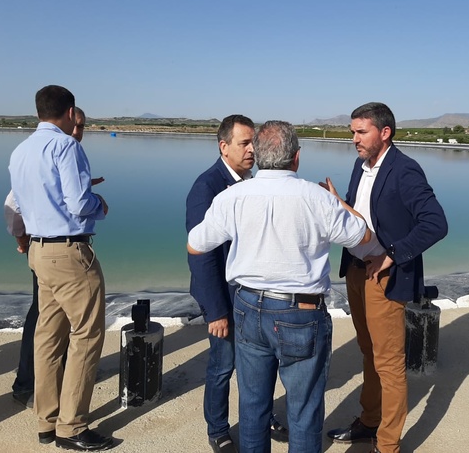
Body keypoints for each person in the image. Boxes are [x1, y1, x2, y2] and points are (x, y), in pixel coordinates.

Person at [188, 120, 370, 453]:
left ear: (257, 155)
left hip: (247, 307)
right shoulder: (316, 198)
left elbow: (195, 244)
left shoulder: (233, 197)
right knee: (303, 411)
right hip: (300, 311)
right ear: (296, 158)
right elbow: (363, 238)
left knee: (253, 406)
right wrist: (338, 201)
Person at [326, 102, 448, 453]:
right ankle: (369, 421)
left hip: (385, 278)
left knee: (389, 363)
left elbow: (436, 223)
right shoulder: (359, 165)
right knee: (368, 351)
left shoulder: (405, 171)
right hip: (355, 270)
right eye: (352, 132)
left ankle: (388, 444)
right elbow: (361, 217)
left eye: (360, 132)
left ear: (385, 132)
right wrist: (337, 205)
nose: (354, 139)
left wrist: (392, 254)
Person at [9, 86, 113, 451]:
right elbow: (78, 202)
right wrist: (99, 202)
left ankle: (46, 420)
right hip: (69, 254)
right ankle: (73, 427)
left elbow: (18, 204)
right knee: (86, 336)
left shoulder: (20, 151)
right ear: (70, 112)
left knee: (47, 338)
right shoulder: (68, 146)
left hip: (37, 250)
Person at [186, 115, 287, 453]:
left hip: (254, 299)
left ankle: (263, 416)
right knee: (222, 367)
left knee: (260, 365)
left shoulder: (254, 183)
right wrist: (215, 310)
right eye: (244, 143)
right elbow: (201, 255)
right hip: (225, 301)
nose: (251, 150)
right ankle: (217, 429)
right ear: (223, 146)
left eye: (253, 143)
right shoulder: (207, 187)